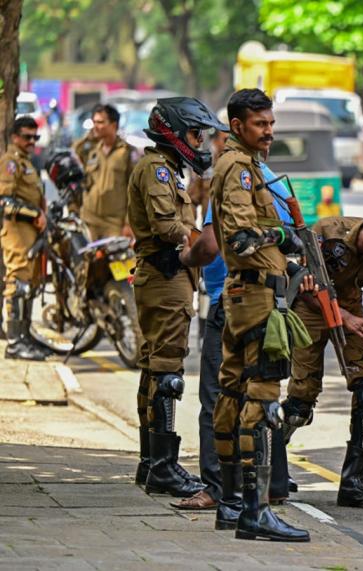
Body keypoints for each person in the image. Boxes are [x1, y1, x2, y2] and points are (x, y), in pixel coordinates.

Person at [171, 131, 296, 513]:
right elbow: (291, 241)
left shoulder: (233, 173)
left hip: (237, 299)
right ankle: (268, 487)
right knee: (263, 392)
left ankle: (220, 490)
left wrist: (180, 260)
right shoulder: (271, 180)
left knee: (223, 396)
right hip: (274, 297)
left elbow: (212, 245)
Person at [209, 88, 309, 542]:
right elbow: (242, 240)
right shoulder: (239, 171)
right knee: (263, 399)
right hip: (257, 302)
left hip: (247, 294)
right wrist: (282, 239)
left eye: (270, 123)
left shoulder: (242, 166)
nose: (269, 131)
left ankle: (231, 503)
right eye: (260, 124)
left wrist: (285, 263)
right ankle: (255, 510)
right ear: (237, 126)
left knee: (231, 392)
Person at [283, 203, 363, 509]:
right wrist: (346, 318)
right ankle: (274, 464)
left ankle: (354, 484)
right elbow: (306, 288)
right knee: (299, 405)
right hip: (312, 309)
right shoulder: (328, 233)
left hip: (351, 311)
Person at [127, 96, 228, 497]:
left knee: (156, 369)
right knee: (167, 374)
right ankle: (164, 467)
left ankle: (152, 463)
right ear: (172, 132)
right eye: (193, 133)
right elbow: (166, 224)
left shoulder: (169, 169)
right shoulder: (157, 170)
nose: (199, 141)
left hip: (171, 275)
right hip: (166, 274)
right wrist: (196, 243)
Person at [0, 117, 49, 360]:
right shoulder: (10, 162)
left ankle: (25, 337)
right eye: (27, 137)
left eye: (35, 137)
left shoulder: (26, 162)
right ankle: (14, 342)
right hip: (17, 231)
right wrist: (35, 214)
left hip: (31, 233)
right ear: (15, 137)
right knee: (17, 284)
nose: (31, 141)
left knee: (30, 285)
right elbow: (4, 202)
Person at [80, 104, 136, 239]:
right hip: (89, 220)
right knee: (89, 260)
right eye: (94, 122)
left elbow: (135, 190)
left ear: (113, 125)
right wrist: (88, 137)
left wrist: (129, 223)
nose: (95, 126)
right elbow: (75, 152)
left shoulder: (127, 152)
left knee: (116, 260)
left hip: (114, 223)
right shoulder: (92, 150)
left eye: (100, 122)